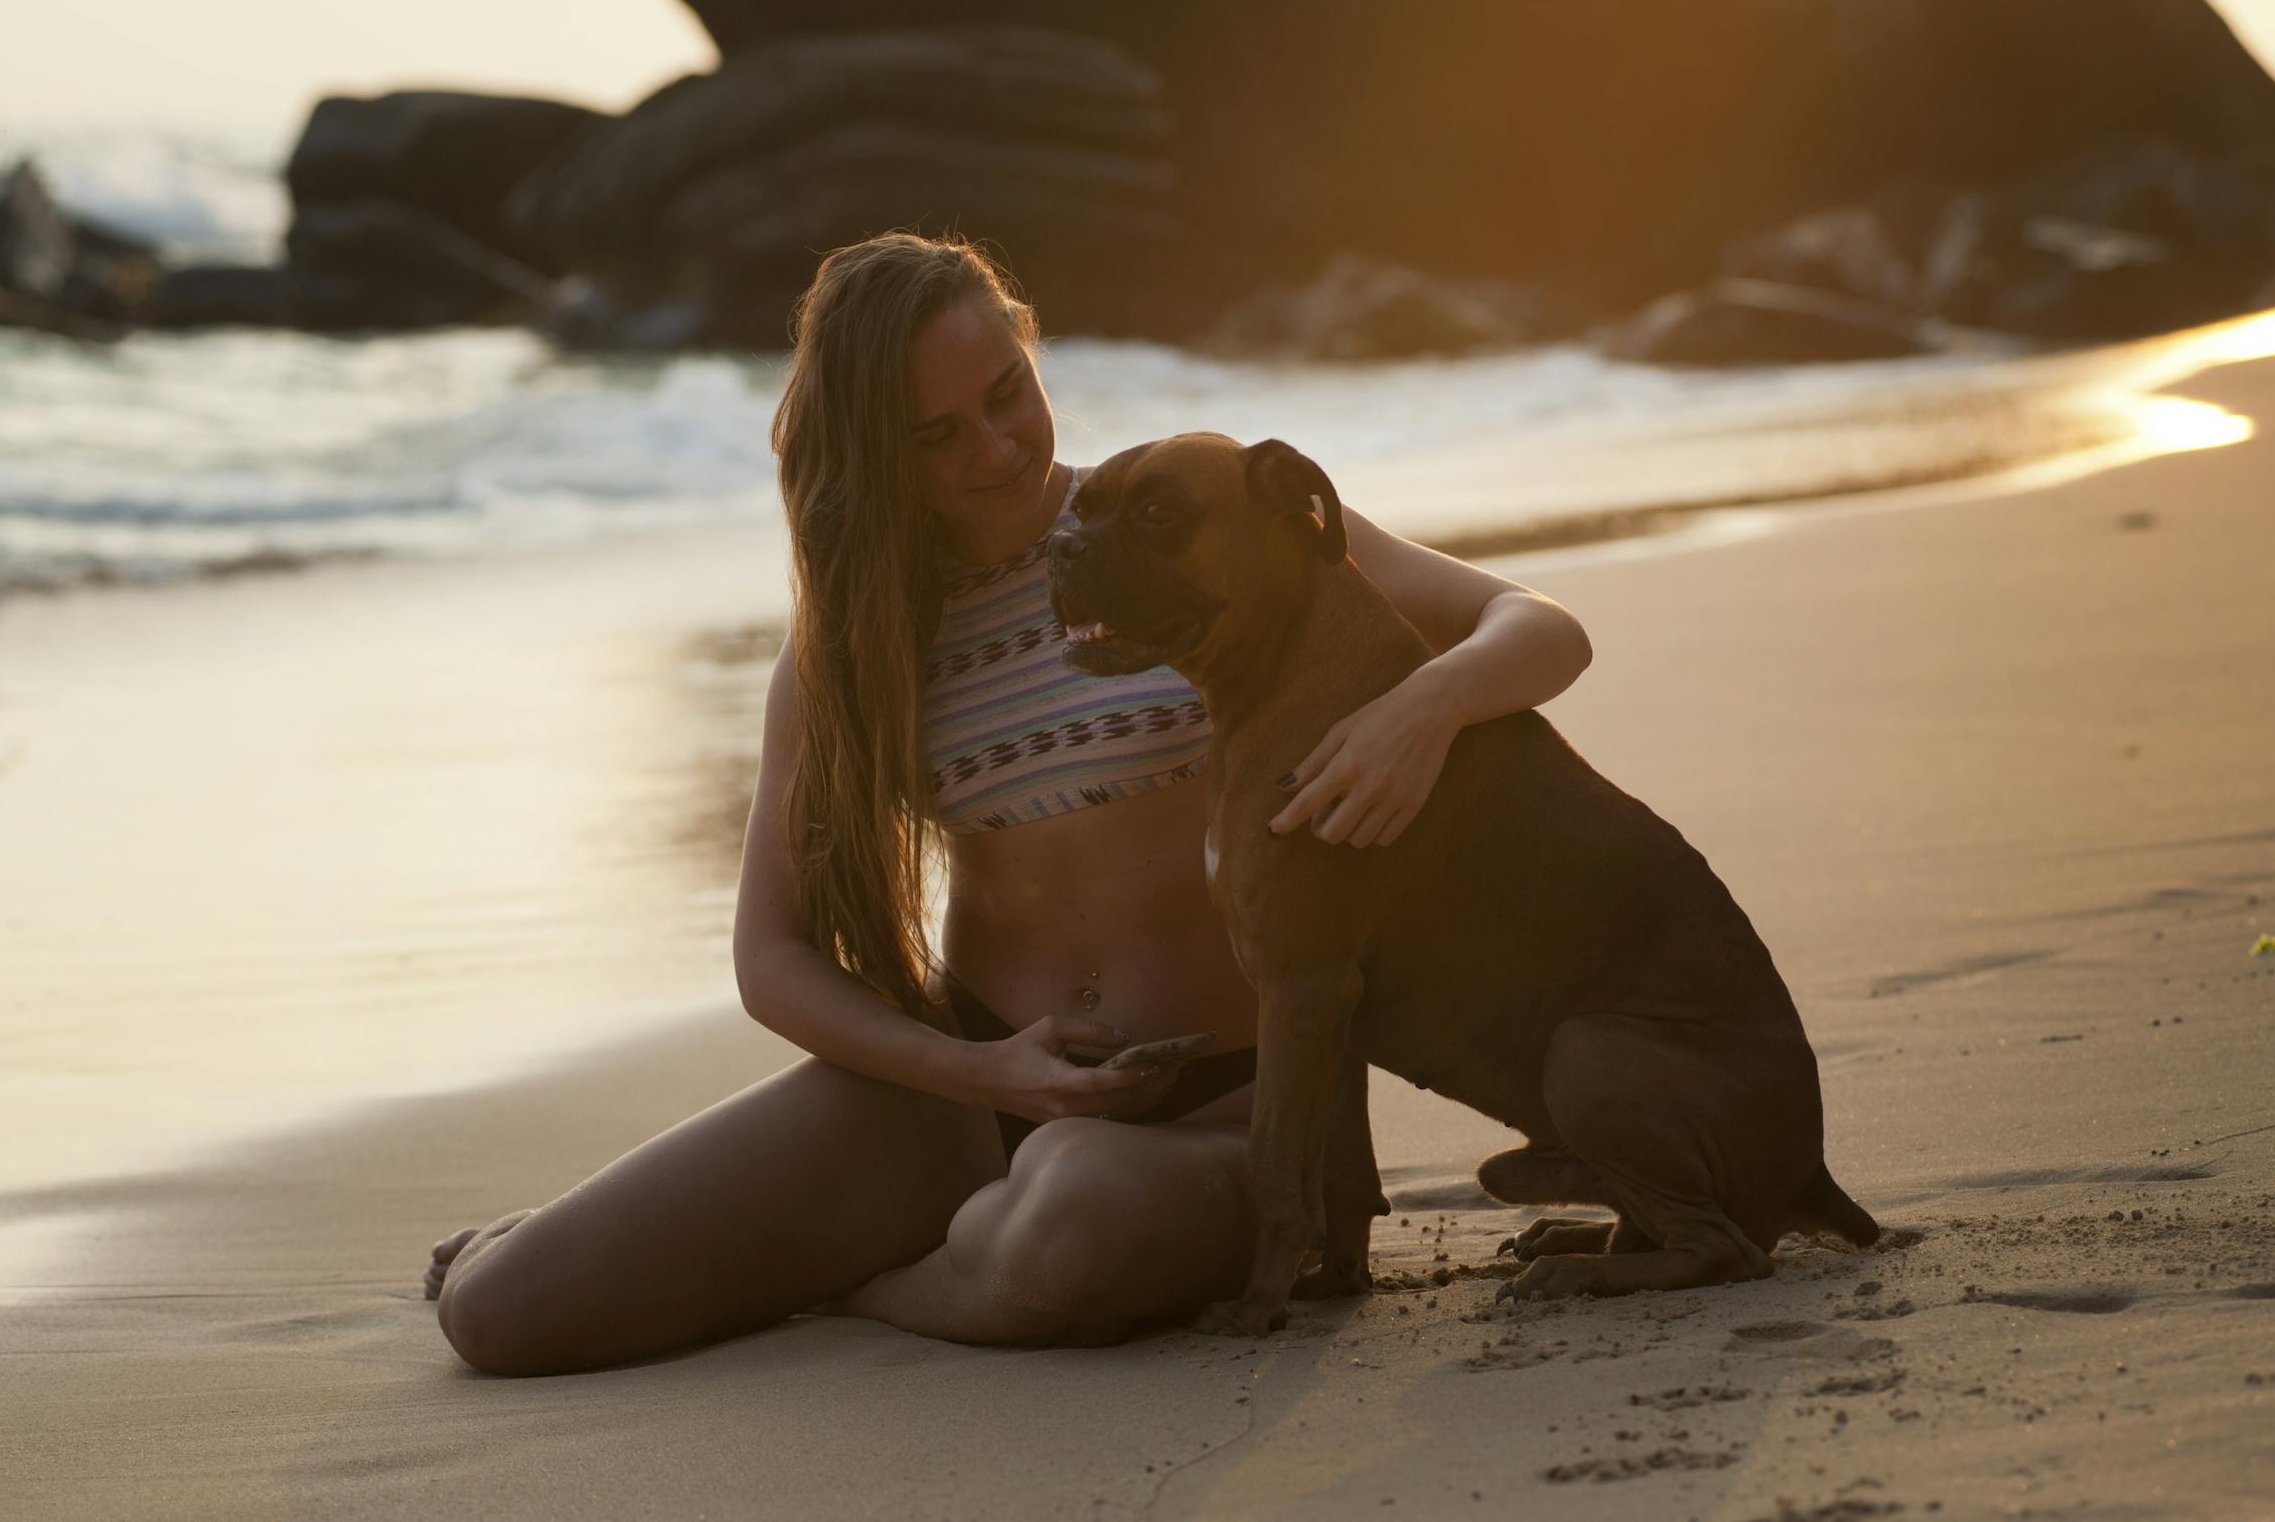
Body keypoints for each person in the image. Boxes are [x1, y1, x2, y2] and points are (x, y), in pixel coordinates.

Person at [425, 232, 1593, 1373]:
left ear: (1032, 349)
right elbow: (770, 955)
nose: (994, 448)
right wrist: (984, 1076)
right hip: (964, 1089)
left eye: (1007, 392)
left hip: (1233, 1108)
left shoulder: (1200, 517)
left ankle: (851, 1281)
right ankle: (877, 1245)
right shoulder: (857, 644)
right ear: (872, 453)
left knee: (1066, 1225)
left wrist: (1420, 711)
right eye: (935, 434)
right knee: (502, 1314)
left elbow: (1538, 628)